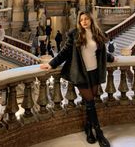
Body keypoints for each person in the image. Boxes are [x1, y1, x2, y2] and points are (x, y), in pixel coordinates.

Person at [40, 11, 115, 147]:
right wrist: (51, 64)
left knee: (89, 102)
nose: (84, 22)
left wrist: (111, 58)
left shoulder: (97, 34)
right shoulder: (75, 35)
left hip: (94, 73)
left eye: (86, 19)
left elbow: (101, 51)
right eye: (81, 20)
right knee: (91, 102)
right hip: (81, 73)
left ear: (91, 20)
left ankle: (88, 129)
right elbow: (64, 52)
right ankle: (99, 133)